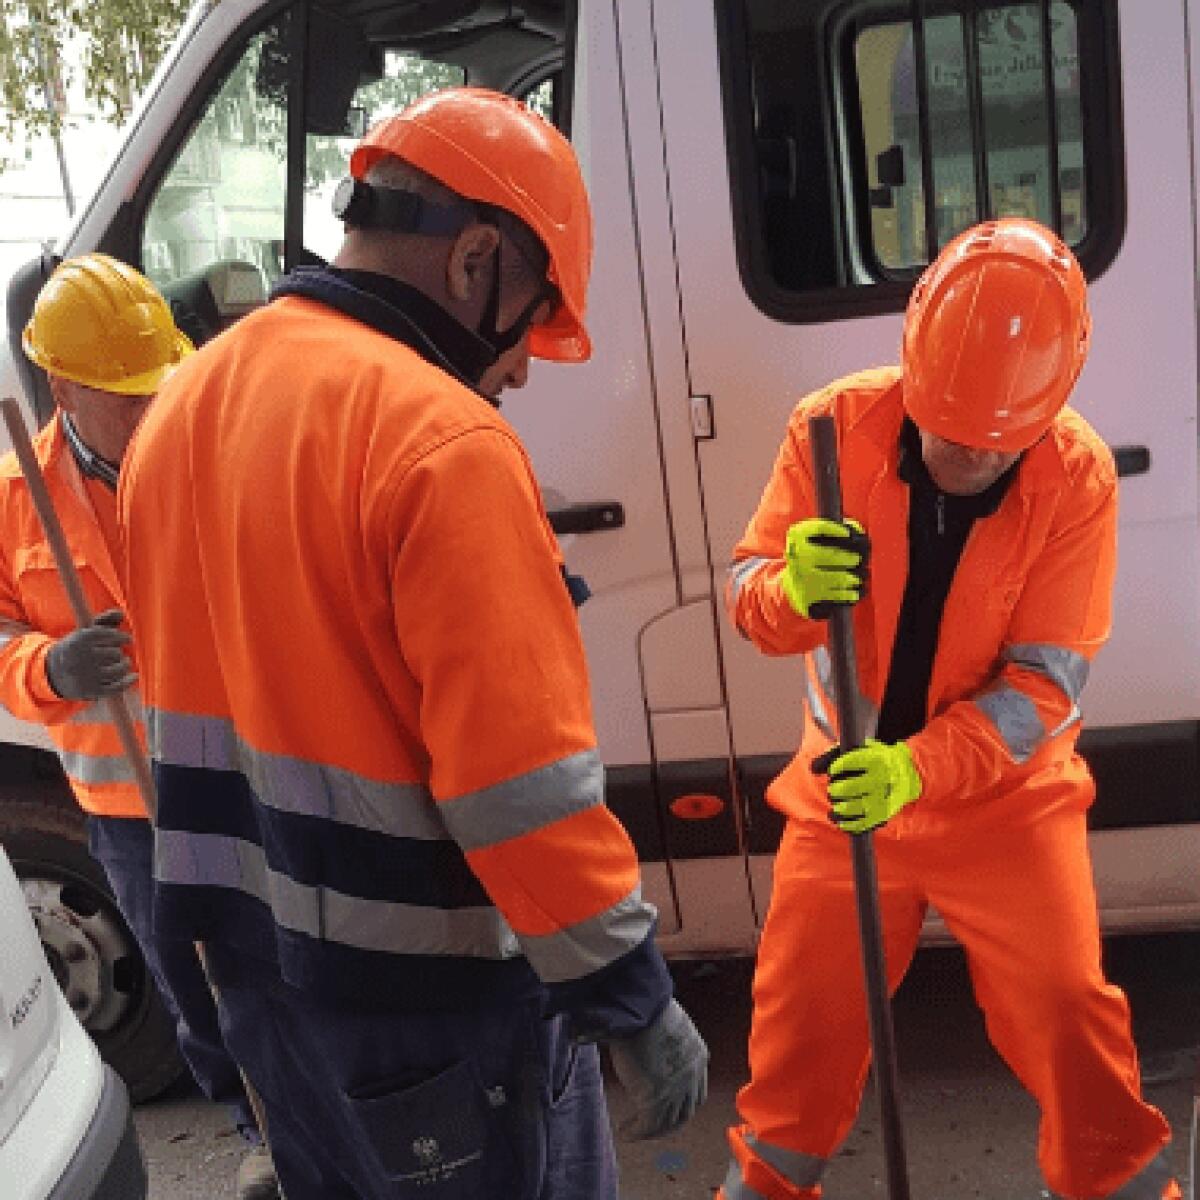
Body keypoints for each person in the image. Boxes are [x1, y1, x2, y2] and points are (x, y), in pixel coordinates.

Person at [117, 86, 708, 1200]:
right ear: (477, 258)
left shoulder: (181, 409)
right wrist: (629, 991)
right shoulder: (442, 441)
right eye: (534, 320)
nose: (525, 365)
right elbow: (518, 791)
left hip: (260, 985)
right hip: (432, 1013)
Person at [719, 218, 1180, 1200]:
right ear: (912, 368)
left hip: (1007, 810)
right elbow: (752, 599)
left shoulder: (1076, 477)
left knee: (1071, 1027)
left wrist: (917, 770)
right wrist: (788, 591)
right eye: (944, 431)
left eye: (988, 448)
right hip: (844, 800)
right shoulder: (830, 430)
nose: (959, 458)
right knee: (796, 1047)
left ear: (1044, 417)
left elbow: (1042, 692)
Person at [1, 253, 277, 1200]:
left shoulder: (216, 450)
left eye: (159, 383)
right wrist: (49, 664)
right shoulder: (13, 502)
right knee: (190, 982)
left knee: (282, 960)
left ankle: (317, 1115)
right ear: (61, 386)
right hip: (124, 801)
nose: (150, 408)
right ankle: (260, 1132)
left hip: (248, 769)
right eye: (125, 395)